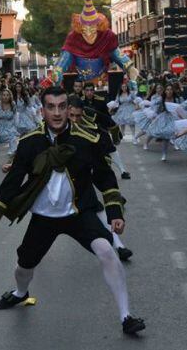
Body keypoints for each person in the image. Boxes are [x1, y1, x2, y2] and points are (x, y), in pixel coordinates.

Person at [0, 86, 145, 335]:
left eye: (62, 106)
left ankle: (126, 316)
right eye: (51, 107)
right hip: (43, 218)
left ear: (68, 109)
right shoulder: (30, 142)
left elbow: (105, 177)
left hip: (79, 214)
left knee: (108, 251)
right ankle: (21, 293)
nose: (57, 113)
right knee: (24, 266)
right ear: (42, 111)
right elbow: (10, 185)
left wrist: (115, 213)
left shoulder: (87, 139)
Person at [68, 95, 134, 261]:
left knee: (96, 207)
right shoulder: (52, 126)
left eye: (78, 116)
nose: (74, 120)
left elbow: (109, 124)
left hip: (84, 178)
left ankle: (119, 246)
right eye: (71, 115)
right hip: (56, 190)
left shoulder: (91, 125)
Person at [146, 82, 182, 161]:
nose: (169, 91)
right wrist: (155, 117)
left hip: (174, 118)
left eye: (171, 90)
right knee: (165, 137)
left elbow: (180, 109)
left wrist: (180, 116)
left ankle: (176, 143)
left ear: (173, 91)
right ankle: (164, 154)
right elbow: (157, 109)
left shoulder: (177, 99)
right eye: (167, 90)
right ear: (165, 91)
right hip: (164, 118)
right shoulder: (161, 99)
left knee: (177, 133)